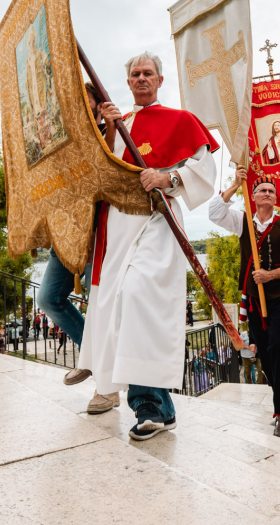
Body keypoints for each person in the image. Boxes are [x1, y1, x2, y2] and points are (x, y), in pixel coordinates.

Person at [79, 51, 218, 441]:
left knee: (138, 299)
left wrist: (167, 178)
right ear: (127, 83)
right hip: (118, 228)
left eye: (148, 74)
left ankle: (149, 406)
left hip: (157, 222)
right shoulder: (120, 123)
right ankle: (159, 409)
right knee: (120, 306)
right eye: (135, 74)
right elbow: (103, 171)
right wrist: (107, 128)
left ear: (159, 80)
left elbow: (203, 170)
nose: (141, 79)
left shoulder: (181, 120)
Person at [208, 169, 280, 439]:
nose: (266, 194)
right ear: (252, 197)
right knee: (265, 357)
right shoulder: (242, 221)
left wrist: (271, 275)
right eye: (261, 190)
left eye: (271, 191)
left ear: (276, 198)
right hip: (255, 300)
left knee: (279, 349)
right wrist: (234, 185)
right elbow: (214, 212)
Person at [40, 83, 109, 401]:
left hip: (98, 235)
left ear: (97, 105)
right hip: (66, 235)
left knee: (100, 305)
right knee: (48, 299)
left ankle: (108, 385)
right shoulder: (62, 140)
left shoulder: (111, 134)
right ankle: (92, 356)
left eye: (88, 99)